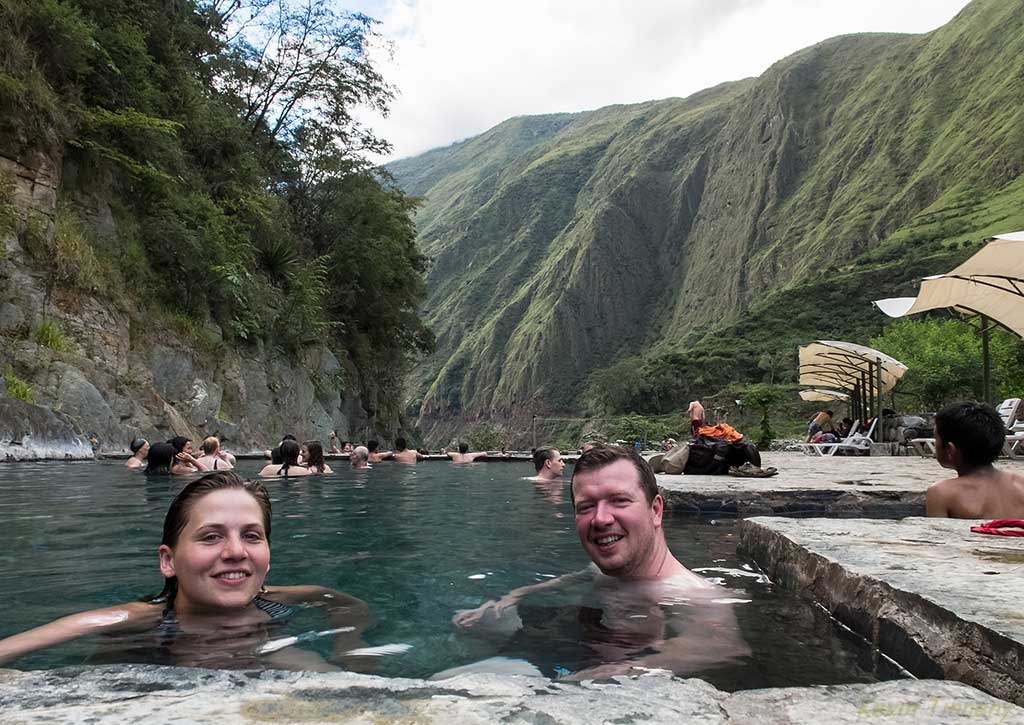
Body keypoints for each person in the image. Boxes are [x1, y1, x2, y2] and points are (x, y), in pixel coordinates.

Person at [0, 472, 371, 670]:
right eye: (211, 537)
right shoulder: (137, 619)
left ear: (267, 557)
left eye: (252, 536)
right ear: (168, 560)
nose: (236, 552)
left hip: (259, 652)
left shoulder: (277, 598)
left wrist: (349, 647)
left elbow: (343, 603)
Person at [453, 446, 749, 679]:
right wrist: (510, 598)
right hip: (585, 653)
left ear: (656, 510)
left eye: (619, 500)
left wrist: (616, 673)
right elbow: (566, 581)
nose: (601, 519)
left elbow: (718, 646)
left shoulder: (695, 595)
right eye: (587, 506)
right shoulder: (603, 571)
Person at [926, 402, 1024, 519]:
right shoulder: (1020, 483)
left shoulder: (941, 493)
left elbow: (936, 535)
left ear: (950, 449)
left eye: (935, 437)